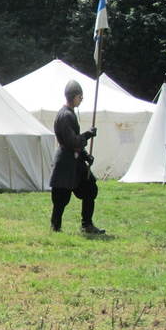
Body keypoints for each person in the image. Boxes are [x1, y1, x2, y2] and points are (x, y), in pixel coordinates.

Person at [50, 80, 105, 234]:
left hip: (75, 161)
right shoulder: (65, 115)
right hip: (66, 162)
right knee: (61, 197)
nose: (81, 99)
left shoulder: (70, 113)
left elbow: (75, 142)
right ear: (74, 96)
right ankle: (55, 227)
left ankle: (87, 225)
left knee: (90, 189)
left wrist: (85, 155)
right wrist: (87, 135)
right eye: (80, 97)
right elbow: (72, 141)